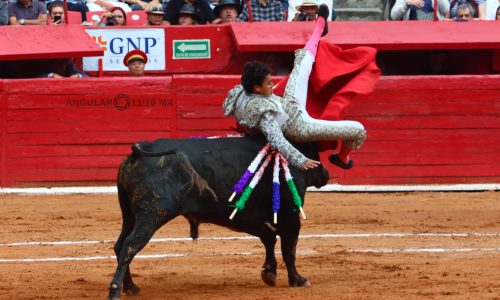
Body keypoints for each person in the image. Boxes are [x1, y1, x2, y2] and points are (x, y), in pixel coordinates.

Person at [224, 5, 370, 170]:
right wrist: (301, 160)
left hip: (290, 103)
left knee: (303, 62)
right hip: (300, 126)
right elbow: (277, 139)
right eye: (269, 83)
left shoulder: (241, 92)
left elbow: (244, 121)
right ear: (257, 88)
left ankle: (319, 28)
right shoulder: (261, 112)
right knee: (358, 130)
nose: (273, 85)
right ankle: (342, 158)